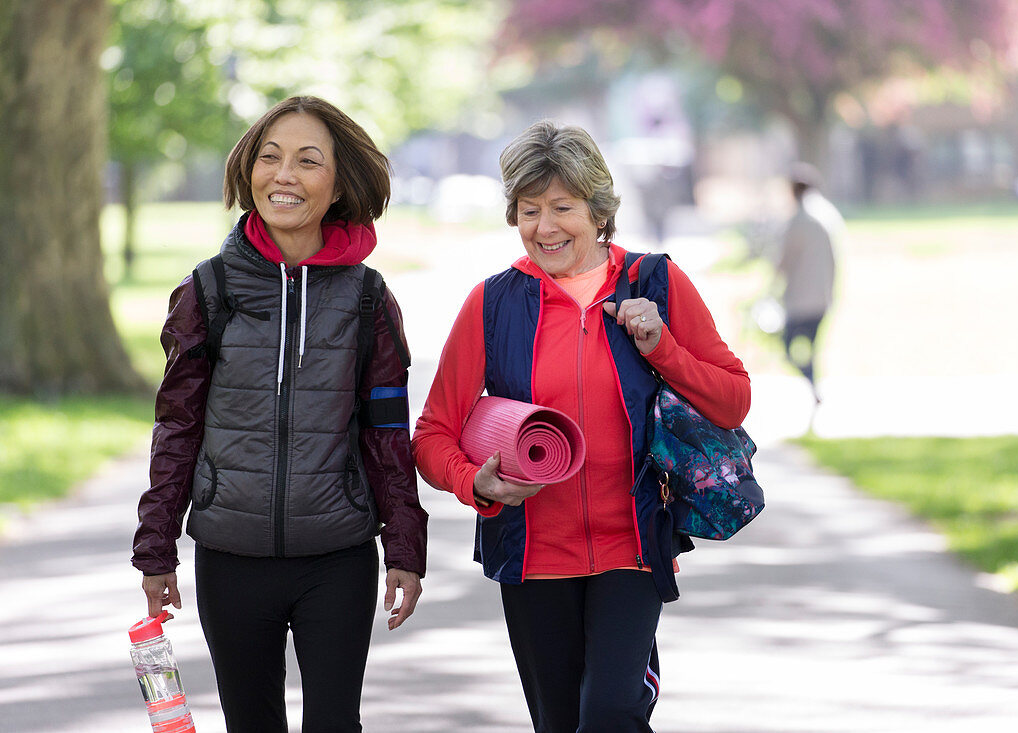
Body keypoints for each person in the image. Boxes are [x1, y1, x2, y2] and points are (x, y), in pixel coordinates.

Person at [412, 120, 750, 732]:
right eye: (528, 209)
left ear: (598, 210)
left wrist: (662, 347)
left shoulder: (655, 283)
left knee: (611, 714)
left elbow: (733, 402)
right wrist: (475, 484)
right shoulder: (492, 303)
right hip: (531, 554)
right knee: (560, 722)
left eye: (562, 207)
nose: (545, 227)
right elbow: (433, 433)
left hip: (633, 548)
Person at [131, 96, 428, 733]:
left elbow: (385, 433)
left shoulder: (366, 297)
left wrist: (404, 543)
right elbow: (176, 429)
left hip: (337, 558)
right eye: (269, 157)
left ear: (339, 182)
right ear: (248, 171)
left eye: (307, 161)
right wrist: (156, 549)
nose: (283, 175)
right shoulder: (208, 290)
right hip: (230, 558)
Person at [775, 162, 839, 405]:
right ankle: (814, 385)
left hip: (800, 300)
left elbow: (783, 262)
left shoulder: (800, 220)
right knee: (809, 349)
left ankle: (812, 384)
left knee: (789, 349)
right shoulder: (827, 216)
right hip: (821, 298)